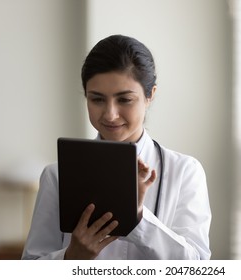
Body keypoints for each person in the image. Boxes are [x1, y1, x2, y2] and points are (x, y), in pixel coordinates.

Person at [21, 35, 211, 260]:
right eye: (97, 99)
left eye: (124, 100)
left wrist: (138, 219)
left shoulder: (184, 172)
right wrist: (72, 257)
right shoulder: (56, 176)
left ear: (150, 96)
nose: (110, 114)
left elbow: (197, 265)